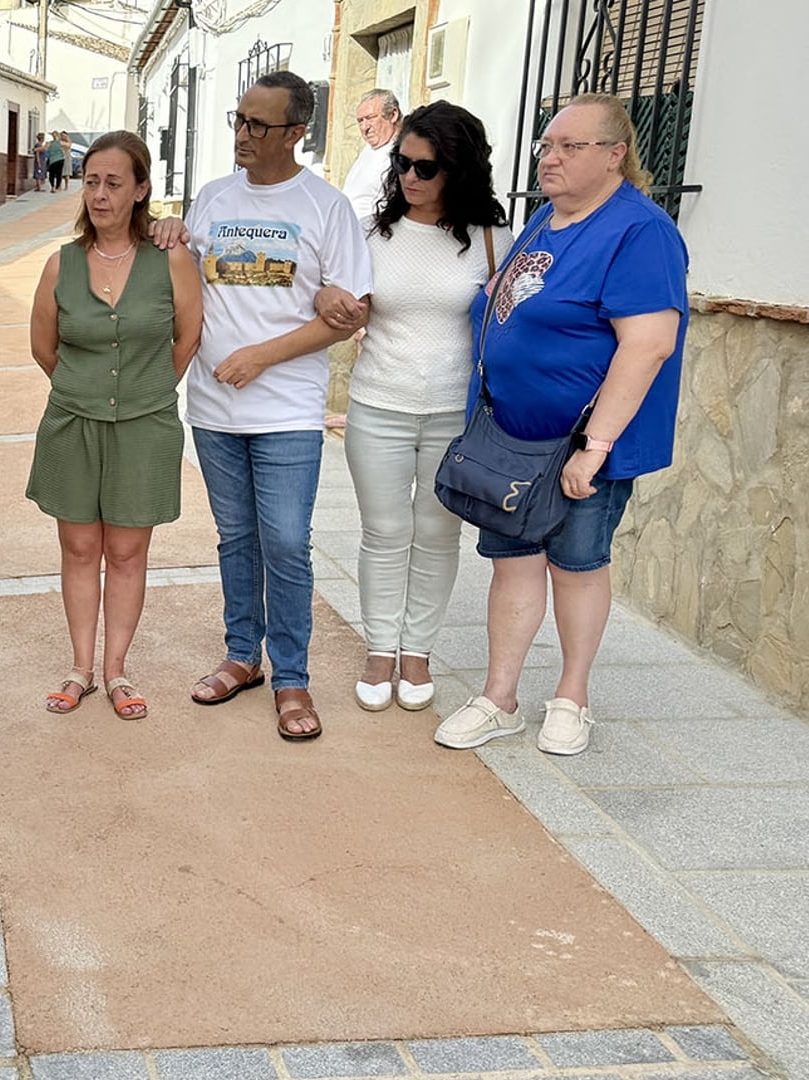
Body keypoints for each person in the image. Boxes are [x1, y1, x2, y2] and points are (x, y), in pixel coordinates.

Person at [433, 93, 688, 757]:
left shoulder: (640, 231)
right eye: (547, 145)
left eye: (569, 146)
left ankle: (572, 697)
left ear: (614, 154)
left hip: (580, 446)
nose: (550, 156)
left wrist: (596, 447)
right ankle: (499, 698)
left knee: (576, 564)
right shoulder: (548, 218)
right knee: (512, 563)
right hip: (512, 439)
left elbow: (648, 345)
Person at [182, 72, 372, 741]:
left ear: (297, 134)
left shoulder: (325, 207)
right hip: (211, 406)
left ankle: (292, 677)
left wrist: (263, 355)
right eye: (239, 119)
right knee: (236, 538)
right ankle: (243, 657)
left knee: (286, 543)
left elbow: (351, 314)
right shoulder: (210, 198)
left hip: (287, 408)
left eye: (259, 125)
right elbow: (184, 283)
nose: (242, 134)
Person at [315, 103, 511, 713]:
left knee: (436, 533)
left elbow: (507, 327)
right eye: (402, 162)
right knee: (384, 533)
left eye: (426, 167)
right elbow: (338, 296)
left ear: (459, 169)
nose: (410, 177)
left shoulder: (491, 239)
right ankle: (380, 649)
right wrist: (333, 299)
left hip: (456, 414)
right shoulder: (370, 233)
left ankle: (417, 652)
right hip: (377, 404)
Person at [27, 131, 203, 720]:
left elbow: (188, 337)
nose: (99, 195)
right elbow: (43, 347)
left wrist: (147, 390)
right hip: (72, 423)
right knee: (79, 548)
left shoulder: (170, 257)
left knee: (127, 552)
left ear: (141, 190)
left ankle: (117, 670)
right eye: (91, 181)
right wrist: (85, 392)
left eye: (113, 183)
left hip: (145, 425)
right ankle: (79, 668)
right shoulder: (62, 262)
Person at [342, 89, 402, 224]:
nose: (364, 127)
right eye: (360, 121)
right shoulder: (370, 148)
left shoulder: (400, 154)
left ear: (393, 115)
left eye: (370, 118)